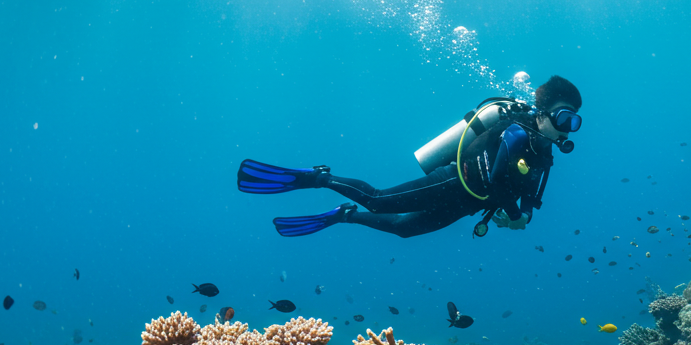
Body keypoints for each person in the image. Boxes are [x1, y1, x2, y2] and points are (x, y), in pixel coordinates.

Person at [237, 75, 582, 238]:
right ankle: (319, 177)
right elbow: (499, 180)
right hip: (451, 182)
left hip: (466, 204)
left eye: (575, 122)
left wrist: (520, 216)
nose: (569, 128)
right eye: (566, 117)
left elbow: (528, 197)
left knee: (404, 231)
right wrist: (513, 212)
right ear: (543, 112)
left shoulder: (544, 154)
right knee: (377, 200)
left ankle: (344, 216)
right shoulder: (517, 132)